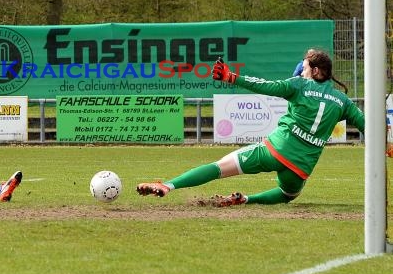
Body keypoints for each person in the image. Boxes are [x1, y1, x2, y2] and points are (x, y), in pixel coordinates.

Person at [136, 49, 365, 207]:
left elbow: (265, 86)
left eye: (304, 68)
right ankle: (246, 200)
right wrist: (387, 143)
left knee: (218, 167)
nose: (301, 71)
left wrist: (231, 77)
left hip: (274, 151)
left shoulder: (300, 85)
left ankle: (167, 185)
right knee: (288, 194)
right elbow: (368, 124)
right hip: (300, 168)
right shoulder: (343, 101)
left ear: (315, 72)